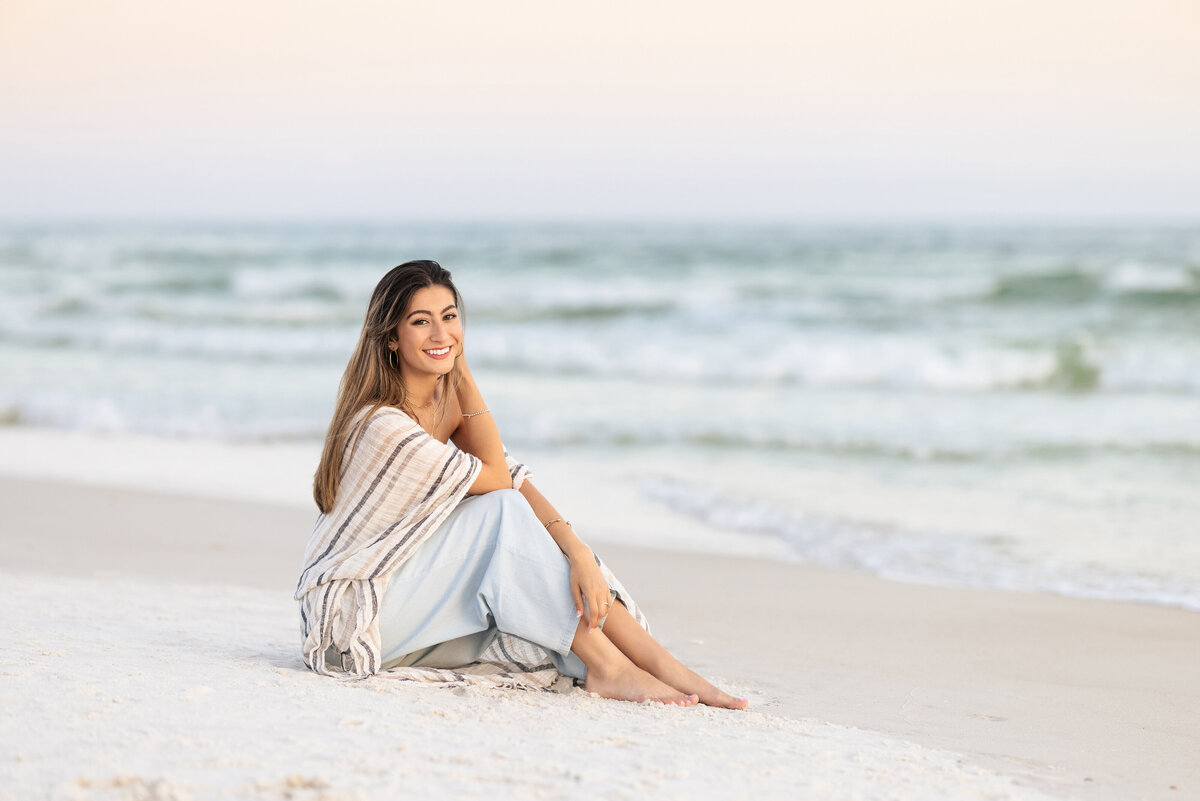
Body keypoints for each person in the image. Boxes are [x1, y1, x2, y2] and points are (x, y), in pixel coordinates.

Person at [296, 260, 747, 709]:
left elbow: (513, 477)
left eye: (450, 317)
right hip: (350, 622)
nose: (440, 334)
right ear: (392, 337)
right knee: (501, 513)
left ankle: (662, 667)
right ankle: (613, 670)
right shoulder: (383, 425)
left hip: (407, 608)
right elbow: (497, 484)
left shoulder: (439, 406)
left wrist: (578, 553)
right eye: (421, 322)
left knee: (540, 610)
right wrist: (465, 374)